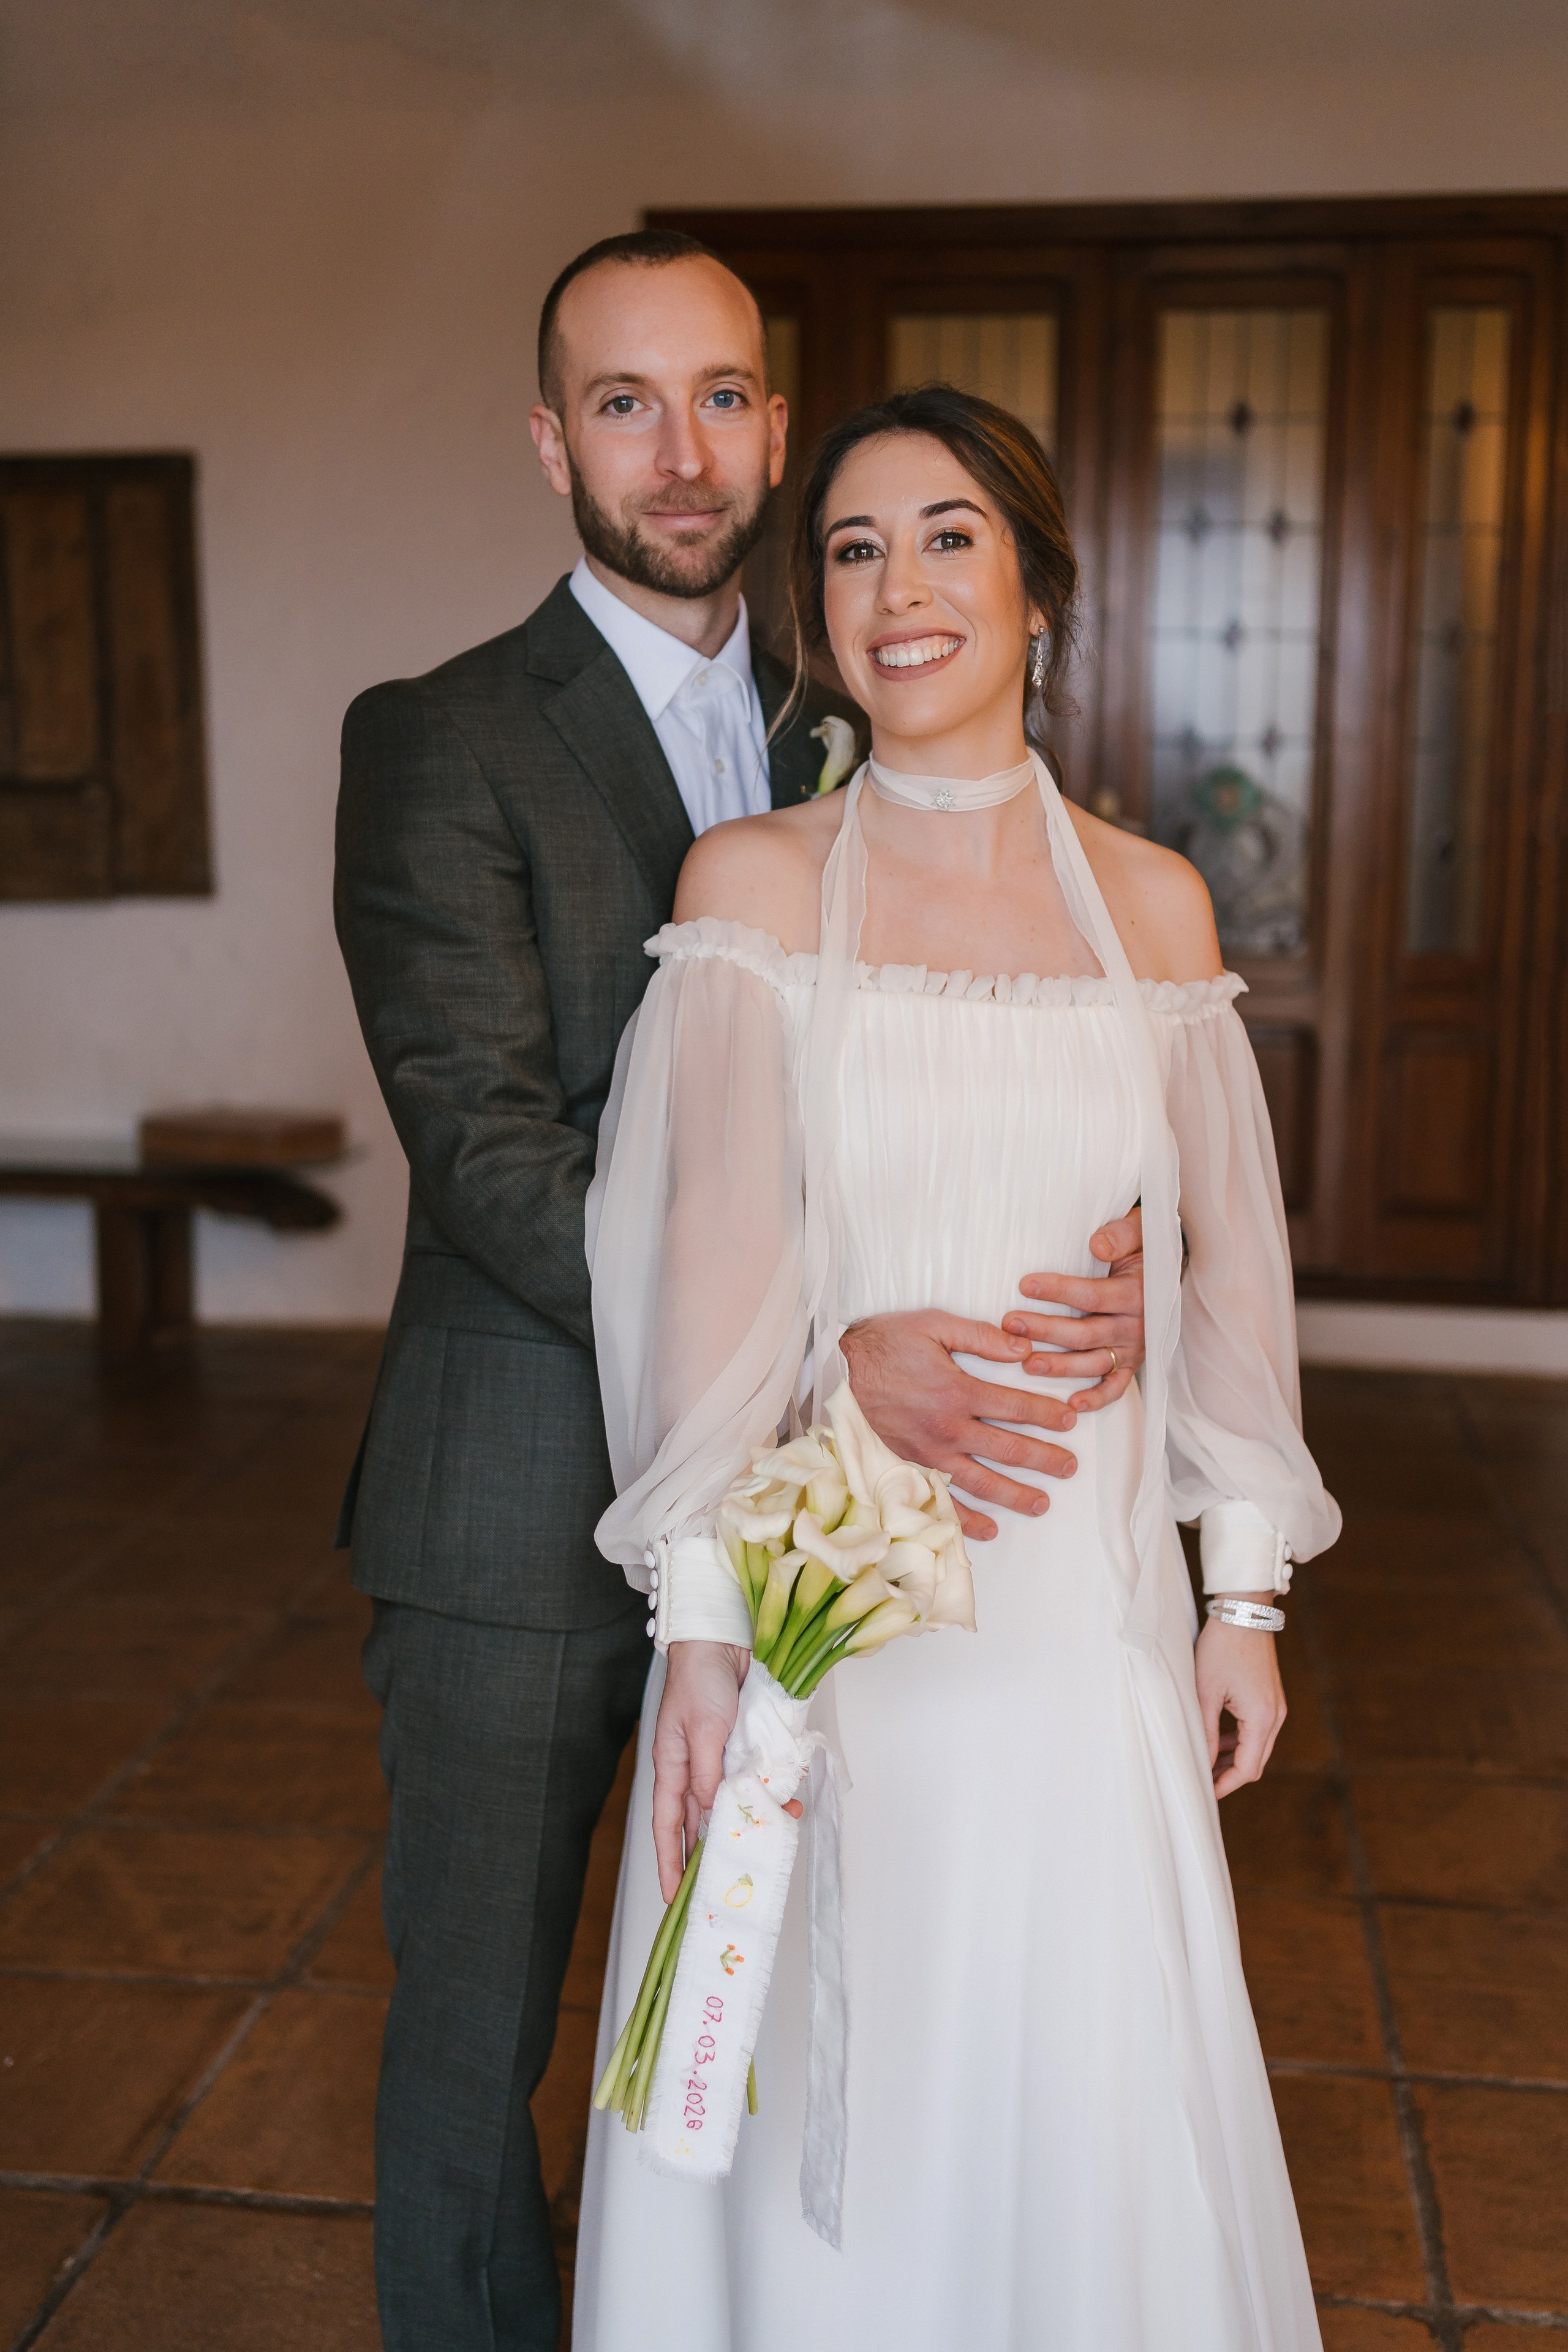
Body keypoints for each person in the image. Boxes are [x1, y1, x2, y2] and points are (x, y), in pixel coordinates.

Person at [334, 236, 1148, 2352]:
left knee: (785, 2004)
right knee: (482, 2044)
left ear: (777, 426)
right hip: (521, 1507)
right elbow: (487, 1142)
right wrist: (793, 1360)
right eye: (623, 401)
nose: (680, 452)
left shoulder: (863, 705)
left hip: (849, 1528)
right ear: (551, 439)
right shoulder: (436, 739)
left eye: (719, 398)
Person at [576, 383, 1341, 2351]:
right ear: (817, 612)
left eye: (946, 537)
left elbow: (1230, 1279)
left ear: (1036, 593)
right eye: (851, 549)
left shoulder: (1154, 908)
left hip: (1080, 1620)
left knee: (1079, 2095)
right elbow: (705, 1281)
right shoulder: (748, 889)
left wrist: (1239, 1595)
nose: (897, 587)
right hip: (840, 1613)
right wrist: (699, 1638)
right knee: (844, 2096)